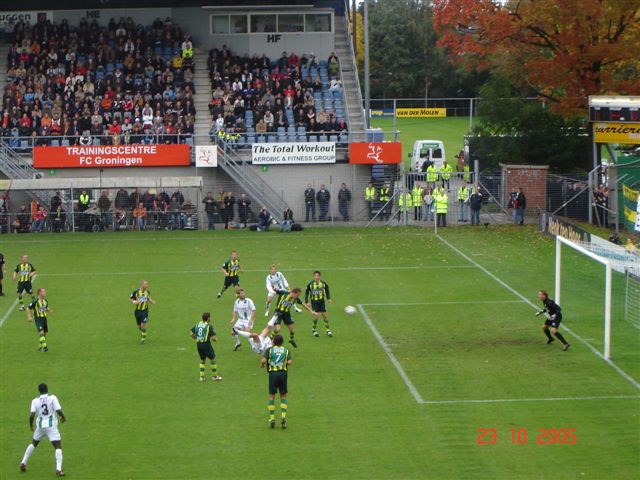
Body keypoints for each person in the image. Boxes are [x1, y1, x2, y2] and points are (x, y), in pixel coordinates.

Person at [19, 383, 66, 477]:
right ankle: (58, 470)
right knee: (58, 446)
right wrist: (63, 416)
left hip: (40, 426)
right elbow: (58, 410)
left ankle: (23, 463)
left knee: (33, 443)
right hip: (51, 426)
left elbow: (32, 414)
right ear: (47, 389)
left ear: (39, 391)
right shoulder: (52, 398)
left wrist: (31, 425)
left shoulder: (35, 401)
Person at [261, 334, 292, 429]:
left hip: (273, 375)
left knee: (271, 396)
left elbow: (263, 360)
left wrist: (262, 364)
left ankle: (272, 418)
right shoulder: (286, 350)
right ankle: (283, 417)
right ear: (282, 342)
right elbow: (290, 362)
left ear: (274, 341)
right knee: (283, 395)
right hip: (283, 374)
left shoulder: (269, 350)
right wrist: (283, 363)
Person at [190, 312, 222, 381]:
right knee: (213, 358)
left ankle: (201, 377)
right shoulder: (209, 326)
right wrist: (215, 339)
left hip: (199, 344)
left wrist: (196, 338)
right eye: (210, 317)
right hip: (206, 344)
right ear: (208, 318)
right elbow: (214, 338)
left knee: (202, 360)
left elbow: (191, 333)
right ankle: (215, 376)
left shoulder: (198, 324)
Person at [305, 270, 332, 337]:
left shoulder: (323, 283)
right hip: (314, 302)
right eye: (315, 276)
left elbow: (327, 289)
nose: (317, 277)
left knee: (325, 316)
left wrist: (328, 298)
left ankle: (328, 330)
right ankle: (314, 330)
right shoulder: (310, 284)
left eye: (318, 276)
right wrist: (307, 301)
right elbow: (306, 292)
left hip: (322, 301)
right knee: (316, 317)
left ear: (320, 277)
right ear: (313, 276)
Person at [130, 280, 156, 344]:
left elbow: (147, 298)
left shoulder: (147, 292)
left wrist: (152, 301)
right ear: (142, 285)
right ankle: (144, 332)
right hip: (137, 312)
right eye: (146, 284)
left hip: (145, 311)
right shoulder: (136, 292)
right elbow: (130, 298)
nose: (147, 285)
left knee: (142, 325)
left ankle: (143, 340)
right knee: (139, 327)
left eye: (147, 284)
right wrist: (134, 302)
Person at [27, 287, 52, 352]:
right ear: (39, 293)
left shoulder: (45, 301)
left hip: (44, 318)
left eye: (45, 291)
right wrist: (29, 316)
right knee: (41, 332)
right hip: (38, 319)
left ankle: (40, 347)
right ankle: (45, 346)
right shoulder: (35, 301)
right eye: (43, 292)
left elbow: (45, 307)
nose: (45, 293)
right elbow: (28, 308)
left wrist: (49, 310)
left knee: (45, 333)